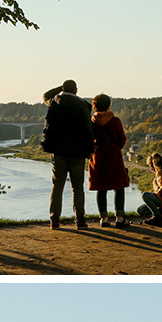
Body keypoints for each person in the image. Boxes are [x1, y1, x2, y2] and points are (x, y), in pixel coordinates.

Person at [41, 80, 94, 232]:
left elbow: (45, 95)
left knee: (57, 186)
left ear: (63, 89)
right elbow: (87, 129)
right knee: (77, 188)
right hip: (77, 152)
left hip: (58, 151)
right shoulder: (83, 105)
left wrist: (61, 88)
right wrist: (89, 150)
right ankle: (80, 221)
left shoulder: (54, 101)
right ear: (76, 90)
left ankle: (54, 221)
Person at [88, 93, 130, 230]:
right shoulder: (115, 121)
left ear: (94, 106)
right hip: (113, 156)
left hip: (98, 157)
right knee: (119, 186)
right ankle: (119, 217)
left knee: (102, 188)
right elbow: (122, 139)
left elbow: (88, 140)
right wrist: (116, 148)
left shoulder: (91, 122)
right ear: (109, 105)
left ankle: (104, 218)